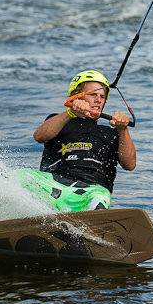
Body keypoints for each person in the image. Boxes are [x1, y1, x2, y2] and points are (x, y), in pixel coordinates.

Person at [16, 70, 136, 212]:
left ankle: (95, 225)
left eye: (102, 96)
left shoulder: (112, 133)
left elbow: (130, 165)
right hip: (54, 186)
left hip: (91, 191)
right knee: (19, 176)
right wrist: (70, 112)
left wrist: (123, 130)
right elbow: (39, 136)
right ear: (76, 96)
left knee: (99, 198)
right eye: (93, 94)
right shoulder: (59, 121)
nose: (98, 99)